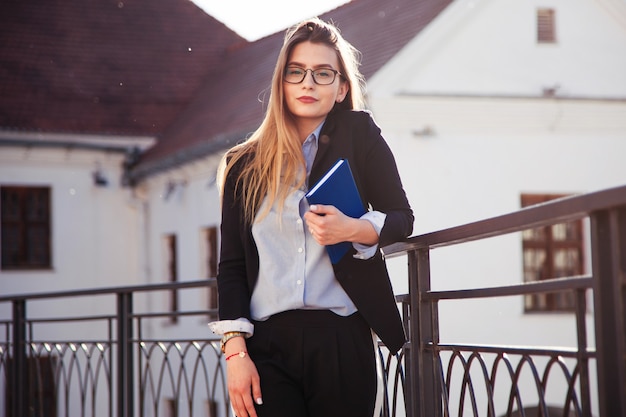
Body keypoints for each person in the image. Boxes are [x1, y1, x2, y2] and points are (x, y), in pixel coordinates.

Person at [209, 17, 414, 417]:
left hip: (342, 337)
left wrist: (355, 229)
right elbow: (231, 266)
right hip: (267, 344)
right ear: (281, 84)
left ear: (341, 88)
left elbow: (401, 217)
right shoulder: (243, 165)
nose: (308, 83)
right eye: (296, 72)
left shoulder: (361, 136)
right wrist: (235, 353)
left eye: (323, 74)